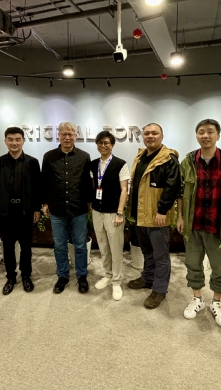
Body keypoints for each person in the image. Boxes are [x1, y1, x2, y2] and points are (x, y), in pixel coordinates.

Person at [177, 119, 221, 327]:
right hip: (193, 224)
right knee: (192, 263)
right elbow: (181, 192)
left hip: (218, 225)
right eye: (201, 132)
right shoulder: (188, 162)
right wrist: (180, 217)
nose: (205, 135)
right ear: (197, 136)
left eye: (210, 132)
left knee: (219, 267)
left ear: (218, 136)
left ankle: (216, 302)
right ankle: (197, 298)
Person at [127, 123, 180, 309]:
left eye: (154, 133)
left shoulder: (169, 159)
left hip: (157, 216)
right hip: (140, 214)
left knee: (160, 255)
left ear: (161, 136)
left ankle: (160, 289)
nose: (150, 136)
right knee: (147, 251)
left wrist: (162, 211)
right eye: (147, 133)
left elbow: (172, 187)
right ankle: (148, 278)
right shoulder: (140, 156)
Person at [0, 127, 41, 295]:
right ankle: (10, 277)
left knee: (26, 246)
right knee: (8, 246)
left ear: (23, 141)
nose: (14, 143)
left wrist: (37, 209)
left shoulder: (32, 162)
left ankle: (26, 275)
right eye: (10, 139)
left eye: (18, 139)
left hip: (26, 211)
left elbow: (37, 188)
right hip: (6, 212)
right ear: (5, 141)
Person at [42, 122, 92, 294]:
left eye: (70, 134)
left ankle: (82, 275)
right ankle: (62, 275)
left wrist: (89, 202)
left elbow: (87, 182)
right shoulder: (49, 157)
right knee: (59, 246)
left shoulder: (84, 156)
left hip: (78, 208)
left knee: (80, 246)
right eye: (64, 134)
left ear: (75, 136)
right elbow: (45, 181)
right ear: (58, 135)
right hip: (57, 209)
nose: (67, 137)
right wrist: (45, 203)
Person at [89, 130, 129, 301]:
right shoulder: (93, 164)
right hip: (97, 212)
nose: (103, 145)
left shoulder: (121, 164)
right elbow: (93, 187)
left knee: (115, 248)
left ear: (112, 145)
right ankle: (107, 274)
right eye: (100, 143)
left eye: (106, 143)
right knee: (103, 247)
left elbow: (124, 190)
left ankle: (116, 281)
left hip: (114, 213)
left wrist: (120, 212)